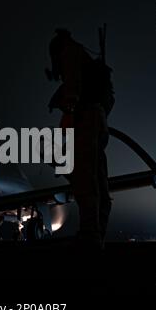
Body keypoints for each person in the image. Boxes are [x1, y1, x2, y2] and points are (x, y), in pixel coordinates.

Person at [47, 29, 114, 247]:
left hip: (87, 119)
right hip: (97, 120)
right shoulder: (79, 55)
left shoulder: (69, 52)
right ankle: (96, 235)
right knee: (96, 177)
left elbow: (72, 96)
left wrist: (58, 143)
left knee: (85, 178)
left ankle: (90, 236)